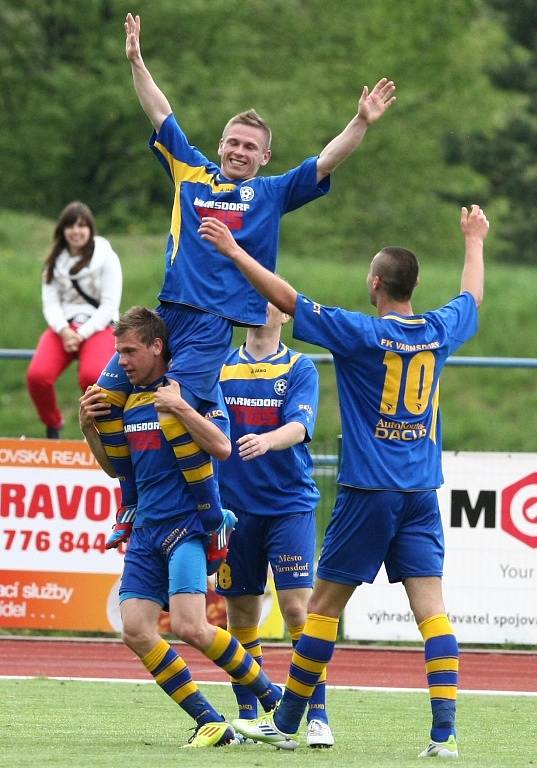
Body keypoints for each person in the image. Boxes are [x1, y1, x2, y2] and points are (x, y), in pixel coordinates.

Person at [95, 11, 397, 553]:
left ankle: (211, 520)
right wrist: (137, 61)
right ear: (221, 144)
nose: (238, 151)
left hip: (211, 327)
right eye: (232, 142)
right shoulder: (190, 171)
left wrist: (362, 123)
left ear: (265, 158)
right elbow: (160, 111)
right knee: (103, 401)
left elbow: (326, 161)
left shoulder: (273, 194)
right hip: (166, 314)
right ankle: (131, 499)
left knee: (171, 407)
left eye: (249, 147)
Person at [197, 204, 489, 757]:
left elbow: (288, 300)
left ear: (375, 283)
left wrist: (235, 253)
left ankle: (286, 720)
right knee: (433, 611)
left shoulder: (360, 334)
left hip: (369, 492)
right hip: (421, 493)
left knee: (324, 608)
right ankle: (444, 734)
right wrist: (474, 240)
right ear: (414, 285)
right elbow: (472, 296)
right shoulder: (437, 329)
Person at [79, 306, 282, 748]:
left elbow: (222, 447)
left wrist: (181, 407)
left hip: (186, 526)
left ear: (157, 347)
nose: (123, 361)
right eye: (119, 353)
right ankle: (210, 720)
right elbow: (117, 469)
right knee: (135, 630)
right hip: (147, 530)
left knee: (192, 626)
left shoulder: (194, 389)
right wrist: (89, 429)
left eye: (130, 351)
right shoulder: (127, 400)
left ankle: (274, 698)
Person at [216, 304, 333, 748]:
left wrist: (266, 439)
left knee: (298, 610)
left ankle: (317, 714)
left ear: (285, 316)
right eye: (252, 297)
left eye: (270, 300)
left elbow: (301, 427)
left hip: (288, 505)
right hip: (234, 510)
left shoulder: (299, 366)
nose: (259, 306)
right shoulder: (222, 366)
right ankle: (251, 714)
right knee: (241, 614)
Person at [27, 201, 121, 439]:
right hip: (64, 327)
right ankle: (53, 424)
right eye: (70, 225)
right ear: (62, 230)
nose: (76, 231)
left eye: (81, 225)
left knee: (92, 376)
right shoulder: (54, 261)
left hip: (98, 325)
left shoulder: (106, 257)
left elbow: (109, 305)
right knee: (38, 376)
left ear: (90, 229)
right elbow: (51, 303)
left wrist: (82, 333)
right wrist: (64, 331)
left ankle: (99, 431)